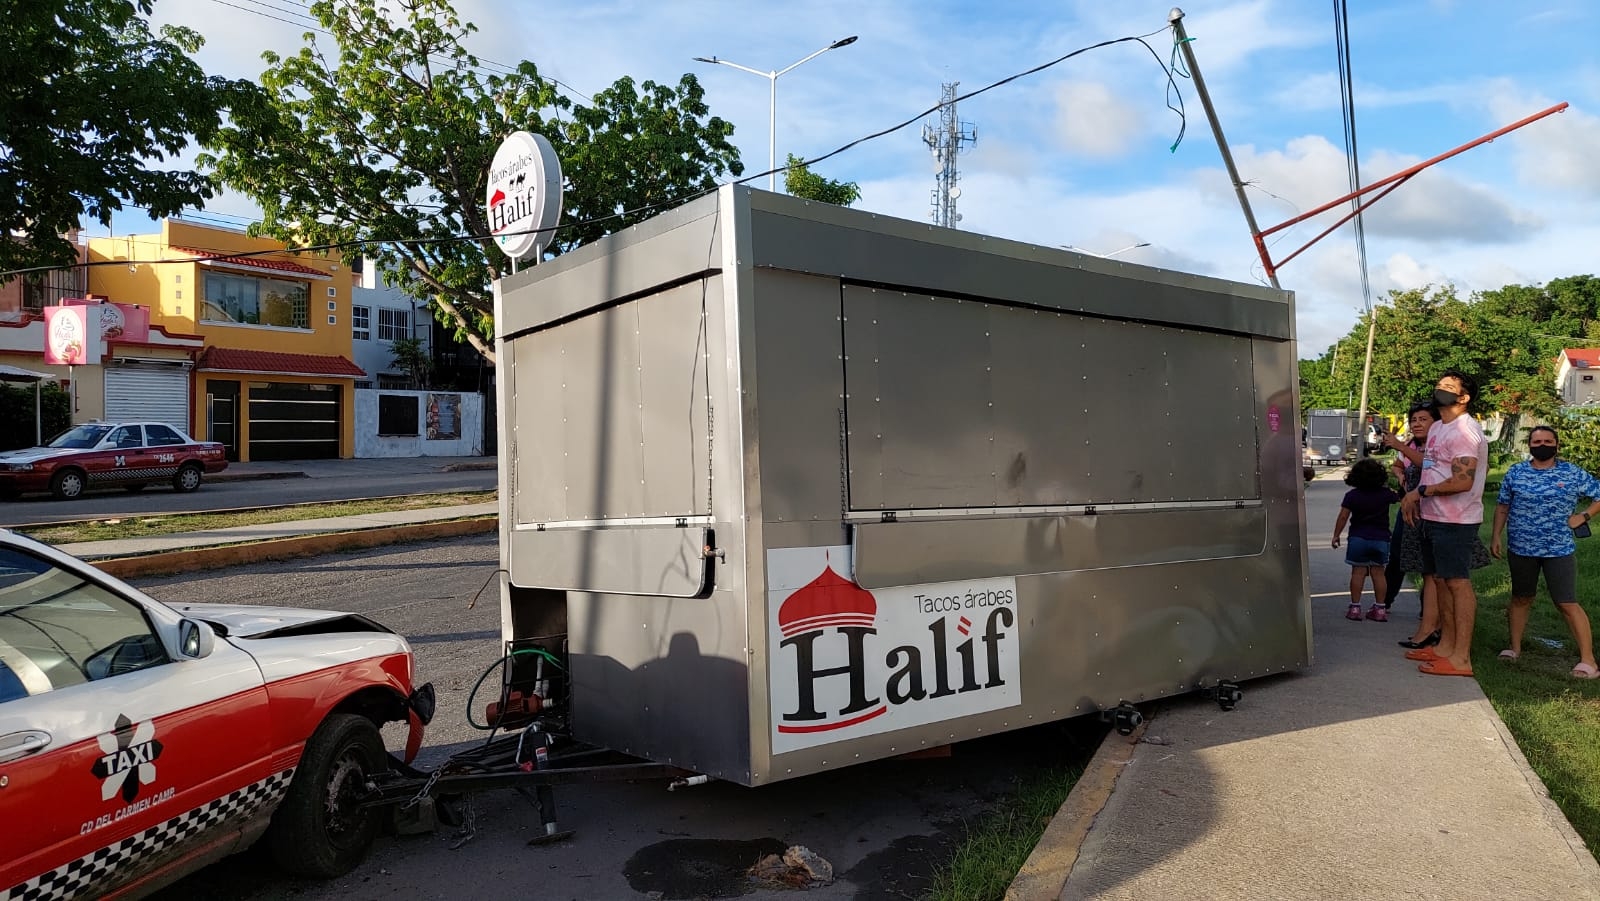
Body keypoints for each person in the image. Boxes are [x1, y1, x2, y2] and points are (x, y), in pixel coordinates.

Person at [1489, 426, 1600, 679]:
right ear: (1529, 445)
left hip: (1558, 549)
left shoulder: (1571, 472)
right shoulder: (1516, 472)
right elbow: (1503, 505)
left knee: (1566, 602)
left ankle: (1588, 660)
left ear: (1556, 445)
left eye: (1548, 441)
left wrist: (1583, 516)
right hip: (1521, 547)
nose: (1542, 445)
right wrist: (1496, 535)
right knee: (1520, 597)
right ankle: (1514, 648)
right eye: (1537, 441)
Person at [1399, 371, 1489, 677]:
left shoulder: (1465, 431)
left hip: (1456, 519)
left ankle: (1461, 657)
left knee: (1456, 583)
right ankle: (1444, 647)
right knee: (1439, 581)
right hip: (1432, 515)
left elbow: (1463, 481)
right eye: (1439, 386)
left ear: (1463, 398)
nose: (1440, 390)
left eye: (1448, 388)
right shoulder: (1438, 426)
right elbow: (1432, 466)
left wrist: (1420, 492)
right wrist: (1416, 496)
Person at [1377, 403, 1443, 648]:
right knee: (1403, 560)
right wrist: (1400, 474)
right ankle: (1388, 602)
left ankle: (1434, 623)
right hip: (1410, 512)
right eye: (1413, 419)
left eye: (1422, 419)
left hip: (1435, 516)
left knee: (1436, 573)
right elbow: (1399, 464)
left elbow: (1429, 465)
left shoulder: (1435, 445)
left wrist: (1399, 445)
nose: (1416, 423)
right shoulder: (1412, 445)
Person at [1332, 458, 1403, 621]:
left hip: (1358, 538)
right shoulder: (1386, 495)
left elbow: (1343, 516)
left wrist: (1336, 535)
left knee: (1358, 572)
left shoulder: (1352, 496)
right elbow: (1400, 497)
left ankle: (1355, 608)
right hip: (1381, 539)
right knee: (1379, 573)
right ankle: (1380, 609)